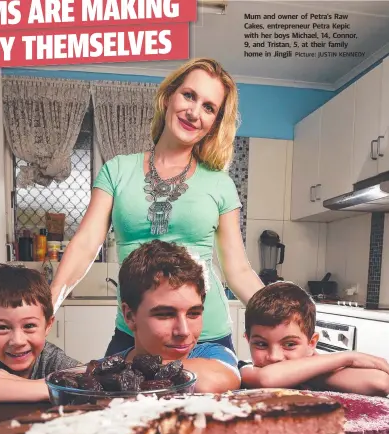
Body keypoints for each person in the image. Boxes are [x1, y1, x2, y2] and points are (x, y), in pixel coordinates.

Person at [51, 57, 263, 355]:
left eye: (209, 107)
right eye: (189, 95)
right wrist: (50, 303)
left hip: (205, 339)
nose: (194, 112)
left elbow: (238, 270)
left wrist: (281, 317)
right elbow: (86, 244)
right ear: (168, 97)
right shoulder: (117, 170)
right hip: (135, 335)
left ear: (215, 123)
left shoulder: (220, 183)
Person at [112, 240, 241, 394]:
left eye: (193, 314)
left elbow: (213, 382)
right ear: (130, 316)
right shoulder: (107, 367)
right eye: (165, 315)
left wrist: (122, 375)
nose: (184, 331)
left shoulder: (214, 354)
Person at [239, 282, 389, 396]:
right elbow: (267, 379)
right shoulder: (245, 371)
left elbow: (380, 383)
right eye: (261, 344)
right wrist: (348, 357)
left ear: (312, 343)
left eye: (290, 344)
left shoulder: (316, 372)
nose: (274, 357)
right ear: (248, 340)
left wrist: (306, 372)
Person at [0, 264, 80, 404]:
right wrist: (53, 388)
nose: (18, 341)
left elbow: (90, 376)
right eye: (2, 327)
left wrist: (17, 382)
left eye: (29, 326)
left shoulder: (50, 357)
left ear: (48, 325)